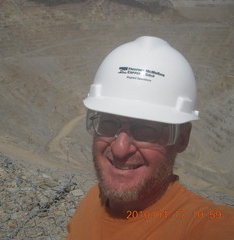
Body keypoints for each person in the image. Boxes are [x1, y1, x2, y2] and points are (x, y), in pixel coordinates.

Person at [66, 36, 234, 239]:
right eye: (108, 123)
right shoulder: (93, 199)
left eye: (145, 129)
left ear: (182, 138)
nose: (120, 149)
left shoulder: (203, 224)